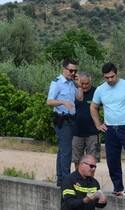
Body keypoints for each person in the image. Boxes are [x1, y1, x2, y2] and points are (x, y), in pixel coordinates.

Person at [90, 62, 125, 197]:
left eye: (112, 76)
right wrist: (98, 124)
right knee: (112, 160)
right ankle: (117, 187)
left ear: (116, 73)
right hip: (110, 130)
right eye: (106, 77)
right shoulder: (101, 90)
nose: (110, 80)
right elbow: (93, 107)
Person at [47, 58, 79, 187]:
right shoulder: (57, 83)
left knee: (62, 151)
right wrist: (63, 102)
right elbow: (49, 101)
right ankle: (66, 181)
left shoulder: (72, 84)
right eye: (71, 70)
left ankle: (61, 179)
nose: (72, 73)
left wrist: (79, 85)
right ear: (63, 69)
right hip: (62, 120)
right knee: (66, 152)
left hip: (71, 120)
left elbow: (79, 98)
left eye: (75, 71)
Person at [72, 72, 100, 168]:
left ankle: (89, 181)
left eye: (86, 84)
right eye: (82, 83)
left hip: (92, 133)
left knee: (92, 160)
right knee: (77, 160)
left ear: (90, 82)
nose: (84, 86)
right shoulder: (74, 91)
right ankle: (78, 180)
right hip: (76, 132)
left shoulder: (96, 92)